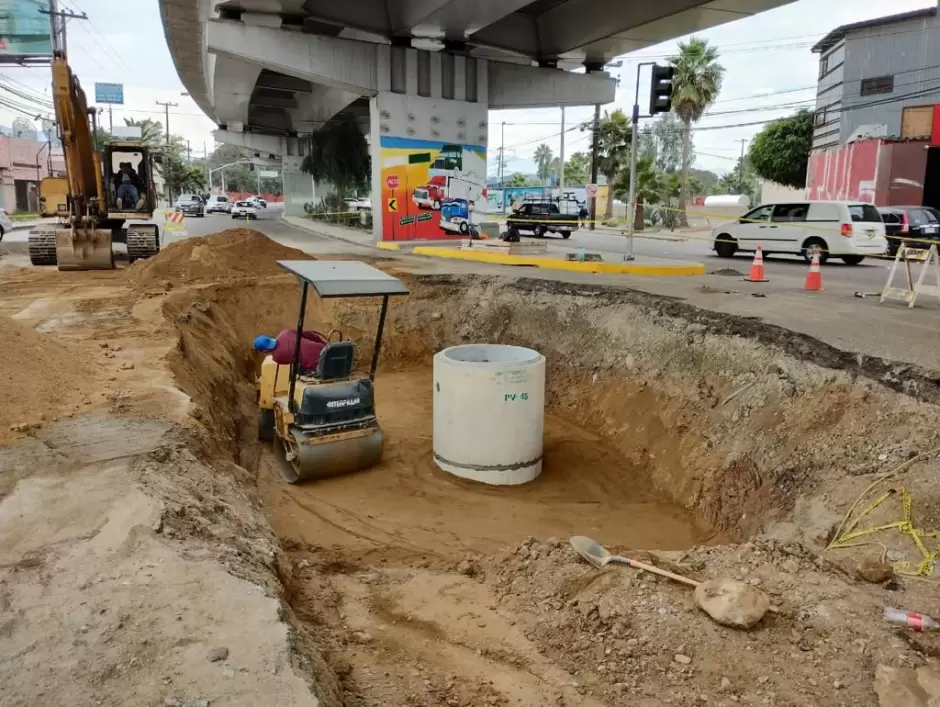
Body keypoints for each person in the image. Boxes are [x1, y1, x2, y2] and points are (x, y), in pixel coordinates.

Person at [253, 329, 327, 372]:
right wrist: (324, 344)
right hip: (325, 349)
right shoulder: (285, 332)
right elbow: (309, 334)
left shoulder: (277, 357)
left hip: (318, 365)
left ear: (265, 350)